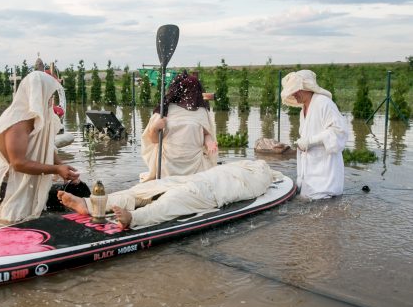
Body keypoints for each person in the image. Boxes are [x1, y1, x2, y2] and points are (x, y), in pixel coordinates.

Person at [57, 159, 283, 229]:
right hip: (198, 180)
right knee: (144, 189)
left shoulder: (260, 177)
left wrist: (268, 173)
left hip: (211, 192)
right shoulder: (250, 167)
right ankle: (88, 204)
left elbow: (257, 184)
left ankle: (134, 218)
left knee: (170, 202)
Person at [0, 70, 80, 222]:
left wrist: (62, 166)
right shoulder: (18, 123)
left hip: (28, 184)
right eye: (49, 96)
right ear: (38, 94)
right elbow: (18, 163)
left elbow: (46, 146)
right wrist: (56, 169)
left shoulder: (38, 118)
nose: (51, 101)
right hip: (10, 189)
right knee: (9, 225)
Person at [281, 69, 348, 199]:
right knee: (307, 207)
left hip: (325, 171)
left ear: (306, 87)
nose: (293, 94)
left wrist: (311, 141)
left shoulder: (324, 103)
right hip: (310, 170)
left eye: (296, 90)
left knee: (325, 210)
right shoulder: (303, 110)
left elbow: (340, 131)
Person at [140, 72, 218, 181]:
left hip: (195, 166)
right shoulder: (164, 110)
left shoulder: (201, 111)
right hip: (167, 166)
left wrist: (209, 143)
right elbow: (153, 140)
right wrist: (155, 128)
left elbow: (206, 134)